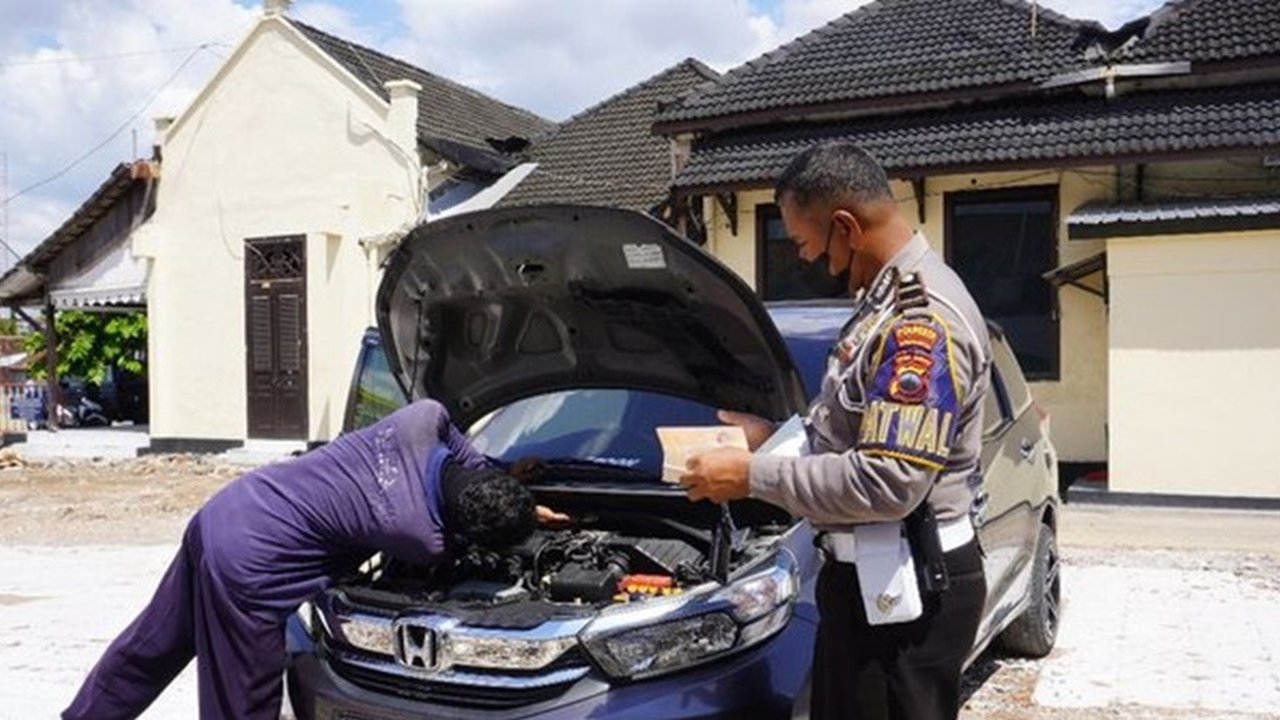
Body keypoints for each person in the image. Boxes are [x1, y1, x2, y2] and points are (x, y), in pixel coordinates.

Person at [680, 140, 990, 720]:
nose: (809, 262)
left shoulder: (919, 325)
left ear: (845, 225)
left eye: (805, 243)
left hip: (909, 596)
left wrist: (752, 476)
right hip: (874, 582)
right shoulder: (884, 301)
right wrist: (771, 435)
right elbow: (861, 432)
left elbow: (889, 482)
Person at [63, 398, 558, 720]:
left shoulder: (422, 419)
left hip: (229, 508)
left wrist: (507, 482)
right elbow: (455, 548)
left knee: (158, 638)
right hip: (251, 565)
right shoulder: (420, 536)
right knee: (244, 696)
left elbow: (465, 458)